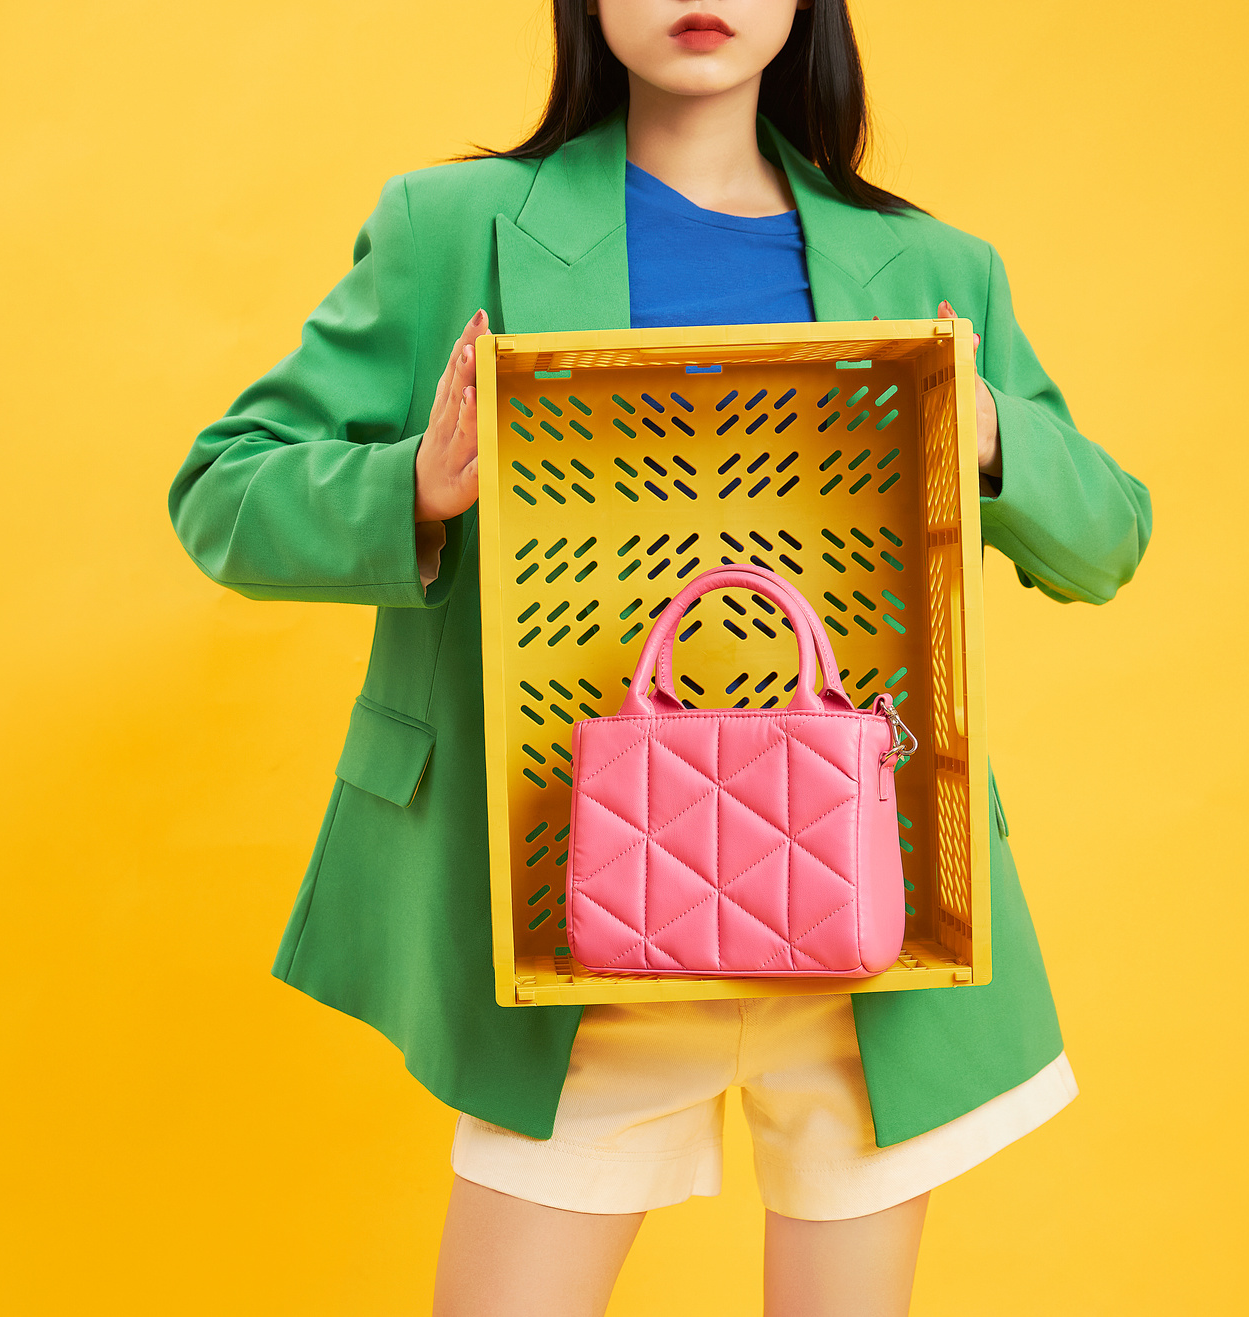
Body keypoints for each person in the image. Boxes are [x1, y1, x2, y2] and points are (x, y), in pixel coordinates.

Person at [168, 1, 1151, 1311]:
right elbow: (221, 494)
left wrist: (982, 426)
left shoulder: (934, 267)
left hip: (862, 919)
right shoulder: (446, 232)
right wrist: (417, 481)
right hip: (580, 903)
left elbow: (1108, 537)